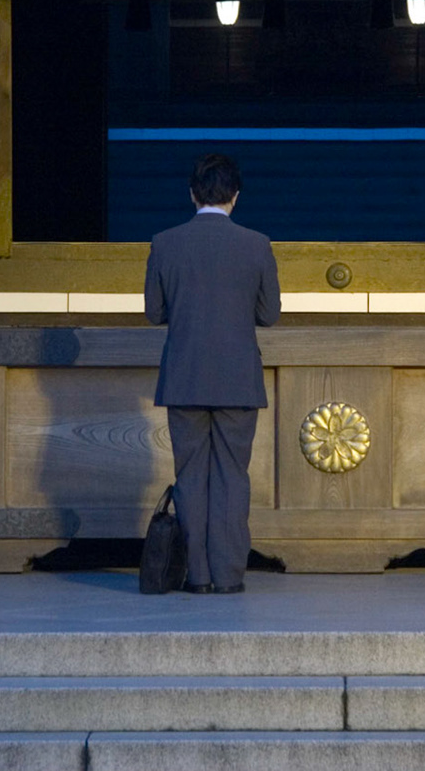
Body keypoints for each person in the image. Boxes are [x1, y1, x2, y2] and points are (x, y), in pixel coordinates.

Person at [144, 153, 280, 593]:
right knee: (232, 477)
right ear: (235, 196)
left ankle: (197, 577)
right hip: (238, 379)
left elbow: (154, 312)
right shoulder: (257, 245)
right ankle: (229, 576)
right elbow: (270, 314)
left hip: (184, 377)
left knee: (190, 477)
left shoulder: (164, 243)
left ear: (192, 194)